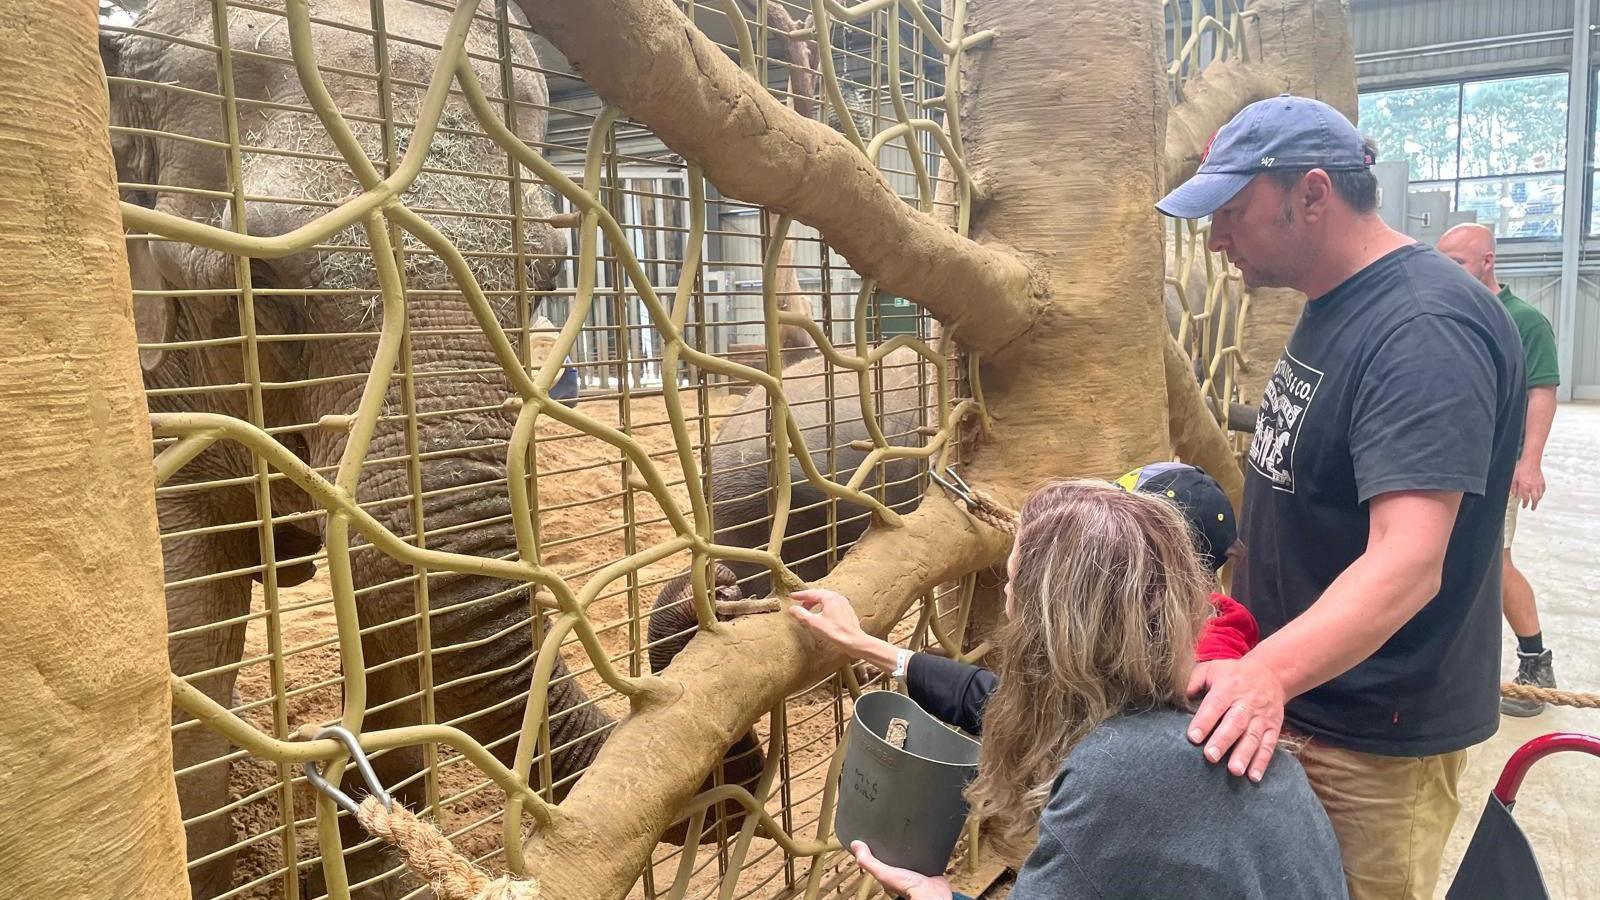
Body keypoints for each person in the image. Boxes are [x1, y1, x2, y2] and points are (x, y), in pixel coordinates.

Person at [1156, 95, 1525, 900]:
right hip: (1303, 700)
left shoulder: (1422, 325)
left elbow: (1408, 561)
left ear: (1313, 194)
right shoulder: (1337, 304)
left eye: (1234, 211)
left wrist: (1265, 676)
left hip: (1369, 735)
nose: (1216, 238)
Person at [791, 480, 1348, 900]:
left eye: (1011, 582)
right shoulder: (1201, 702)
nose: (1004, 594)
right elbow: (998, 700)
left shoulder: (1116, 776)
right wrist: (867, 644)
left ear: (1047, 623)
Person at [791, 462, 1257, 735]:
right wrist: (862, 642)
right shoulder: (1146, 644)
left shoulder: (1196, 685)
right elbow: (1010, 704)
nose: (1011, 586)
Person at [1436, 223, 1561, 716]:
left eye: (1459, 264)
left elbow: (1542, 391)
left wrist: (1529, 462)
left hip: (1496, 468)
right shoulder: (1453, 310)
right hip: (1452, 462)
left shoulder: (1523, 320)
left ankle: (1536, 660)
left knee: (1495, 562)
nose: (1449, 272)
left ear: (1488, 261)